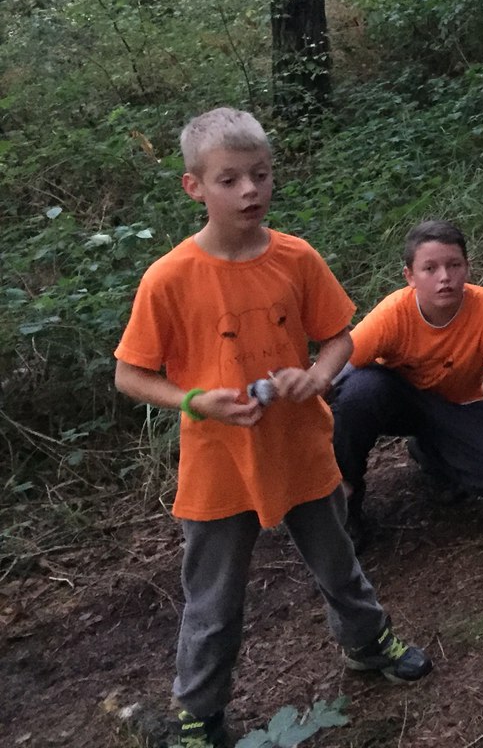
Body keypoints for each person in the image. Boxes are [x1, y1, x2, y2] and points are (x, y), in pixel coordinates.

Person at [113, 108, 431, 748]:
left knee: (338, 562)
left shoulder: (295, 257)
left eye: (259, 174)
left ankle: (367, 643)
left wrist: (318, 375)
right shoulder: (170, 278)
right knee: (213, 600)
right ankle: (200, 717)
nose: (249, 190)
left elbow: (338, 337)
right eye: (229, 179)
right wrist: (195, 400)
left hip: (300, 445)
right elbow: (130, 375)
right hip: (219, 462)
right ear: (194, 187)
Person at [330, 220, 483, 553]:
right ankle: (345, 501)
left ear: (467, 267)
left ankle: (430, 453)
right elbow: (328, 376)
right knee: (358, 392)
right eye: (430, 268)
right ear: (410, 276)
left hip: (457, 406)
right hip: (396, 400)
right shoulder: (392, 314)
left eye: (454, 265)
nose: (445, 277)